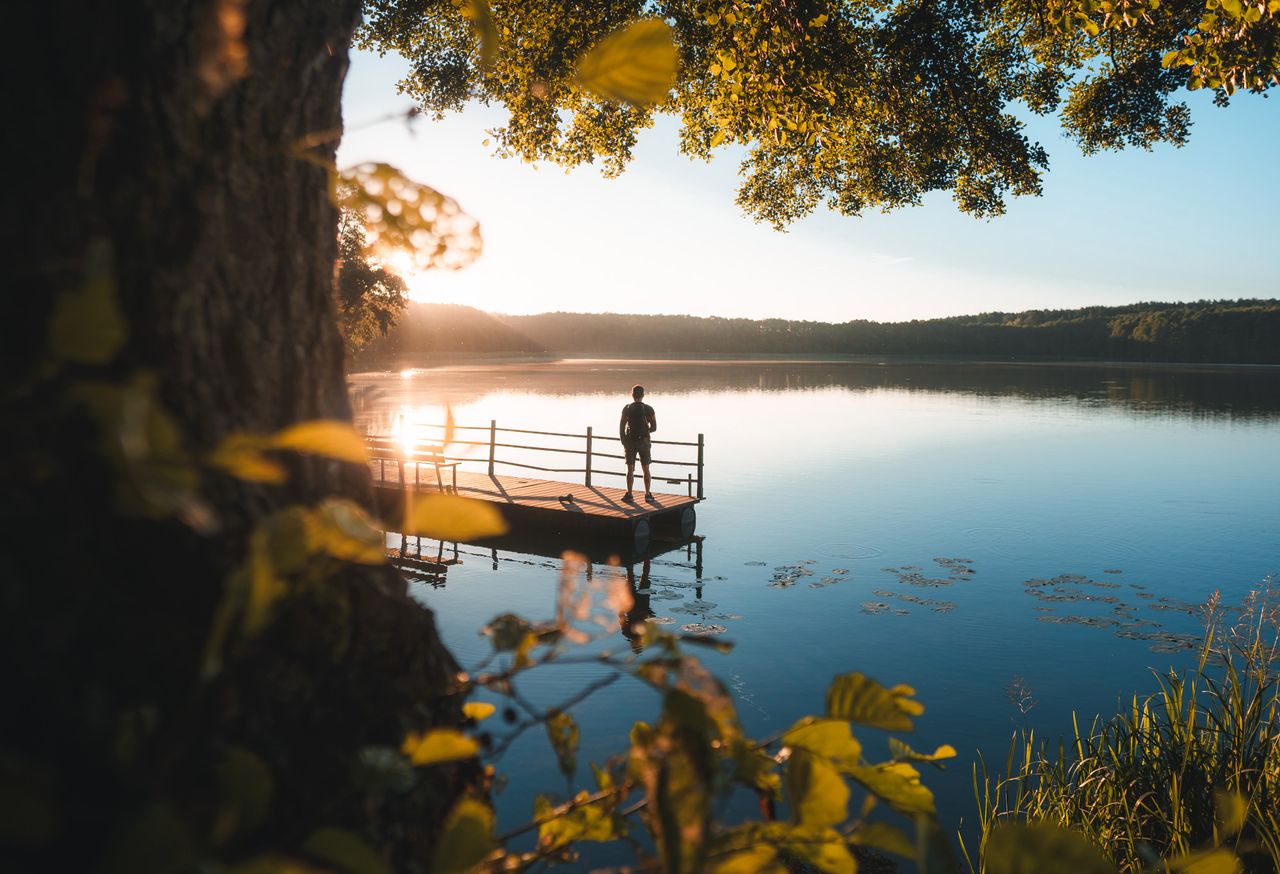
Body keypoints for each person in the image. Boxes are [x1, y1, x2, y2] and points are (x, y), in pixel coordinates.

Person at [619, 384, 656, 503]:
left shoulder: (627, 408)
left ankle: (629, 494)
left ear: (632, 395)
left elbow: (621, 426)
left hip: (629, 442)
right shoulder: (649, 409)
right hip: (644, 442)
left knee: (630, 469)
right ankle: (647, 494)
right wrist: (645, 432)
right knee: (646, 469)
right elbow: (654, 427)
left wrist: (624, 441)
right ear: (643, 395)